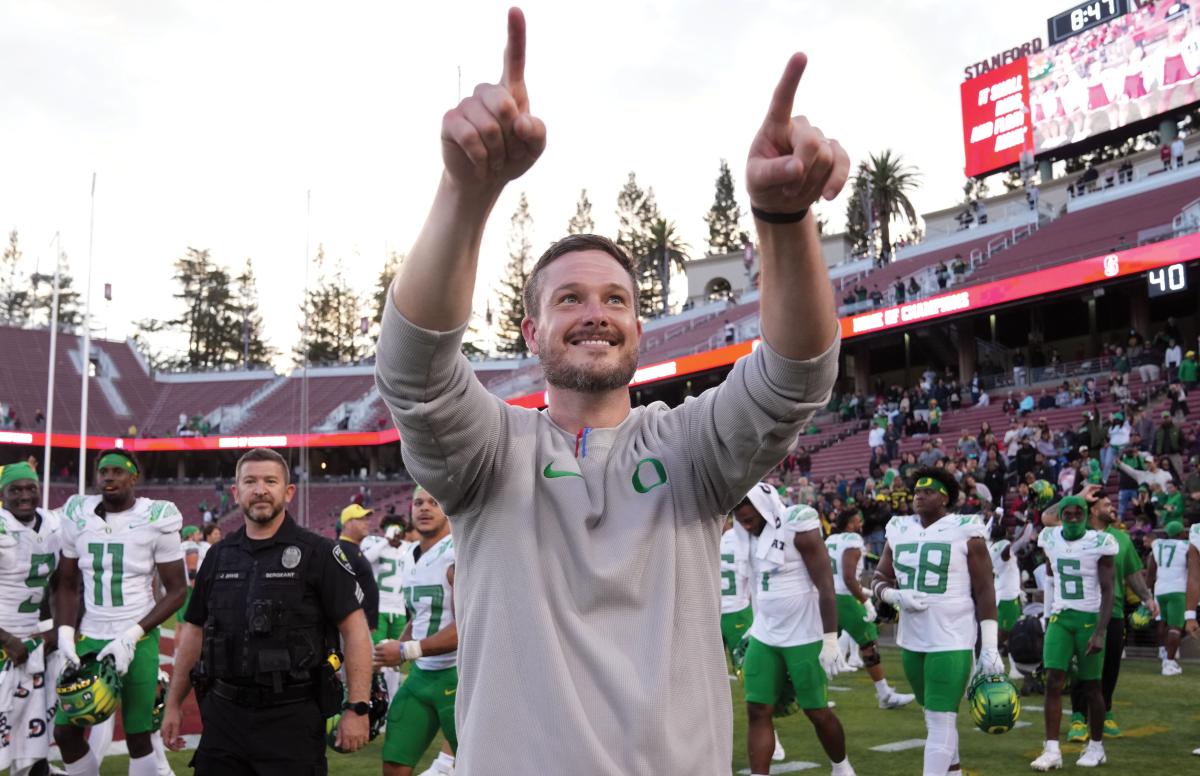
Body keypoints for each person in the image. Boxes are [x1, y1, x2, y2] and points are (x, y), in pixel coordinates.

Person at [373, 9, 847, 774]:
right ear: (530, 333)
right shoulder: (490, 455)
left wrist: (784, 219)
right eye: (568, 299)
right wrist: (468, 193)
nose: (594, 312)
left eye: (615, 299)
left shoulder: (692, 449)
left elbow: (796, 376)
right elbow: (413, 374)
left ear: (639, 329)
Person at [160, 447, 372, 772]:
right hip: (223, 718)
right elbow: (194, 631)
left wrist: (357, 708)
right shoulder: (218, 556)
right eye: (250, 481)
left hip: (293, 718)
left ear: (288, 492)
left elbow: (355, 632)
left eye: (270, 481)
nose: (260, 490)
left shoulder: (319, 553)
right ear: (236, 492)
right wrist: (174, 703)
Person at [52, 450, 189, 776]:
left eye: (117, 471)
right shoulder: (77, 513)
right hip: (91, 635)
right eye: (103, 472)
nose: (108, 477)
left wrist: (133, 634)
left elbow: (178, 590)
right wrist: (65, 635)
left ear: (133, 477)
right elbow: (67, 583)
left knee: (139, 734)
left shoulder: (156, 517)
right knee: (65, 730)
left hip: (137, 637)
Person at [871, 467, 1001, 776]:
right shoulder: (899, 528)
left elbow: (985, 590)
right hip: (912, 639)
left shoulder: (966, 528)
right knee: (933, 718)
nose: (918, 495)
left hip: (952, 638)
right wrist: (892, 596)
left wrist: (990, 647)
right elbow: (879, 577)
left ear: (945, 497)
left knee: (942, 720)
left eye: (927, 491)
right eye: (916, 491)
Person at [731, 484, 854, 776]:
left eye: (750, 520)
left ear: (765, 510)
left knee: (817, 711)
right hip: (765, 633)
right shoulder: (745, 535)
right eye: (742, 521)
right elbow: (757, 585)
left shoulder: (798, 523)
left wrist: (830, 639)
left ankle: (842, 767)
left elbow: (826, 585)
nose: (746, 526)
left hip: (804, 633)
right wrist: (753, 625)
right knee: (757, 708)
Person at [1041, 484, 1157, 740]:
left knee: (1109, 667)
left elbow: (1131, 573)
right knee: (1076, 671)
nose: (1112, 508)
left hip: (1113, 610)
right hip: (1079, 611)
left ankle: (1106, 715)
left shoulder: (1121, 538)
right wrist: (1079, 496)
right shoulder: (1074, 531)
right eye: (1105, 504)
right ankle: (1079, 718)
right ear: (1091, 510)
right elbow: (1048, 518)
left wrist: (1147, 597)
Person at [373, 487, 459, 776]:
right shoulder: (410, 554)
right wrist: (396, 648)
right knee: (395, 762)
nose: (424, 508)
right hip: (422, 675)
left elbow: (466, 628)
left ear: (447, 508)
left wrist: (407, 650)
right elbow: (420, 616)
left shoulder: (457, 553)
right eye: (418, 503)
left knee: (478, 763)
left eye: (434, 502)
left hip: (458, 676)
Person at [1031, 496, 1117, 770]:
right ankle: (1052, 749)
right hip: (1060, 617)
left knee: (1091, 685)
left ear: (1086, 515)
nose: (1070, 518)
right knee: (1053, 681)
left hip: (1089, 618)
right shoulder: (1051, 537)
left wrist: (1101, 631)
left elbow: (1108, 590)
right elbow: (1049, 574)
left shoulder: (1098, 541)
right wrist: (1047, 616)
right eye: (1066, 514)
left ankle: (1096, 746)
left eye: (1076, 514)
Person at [0, 461, 61, 776]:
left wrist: (53, 631)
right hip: (5, 642)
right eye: (15, 490)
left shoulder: (53, 524)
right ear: (2, 494)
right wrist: (6, 639)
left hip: (35, 647)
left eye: (30, 488)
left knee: (33, 742)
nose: (24, 495)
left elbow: (60, 585)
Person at [825, 507, 914, 709]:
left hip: (828, 597)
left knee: (822, 645)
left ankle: (812, 694)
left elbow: (839, 576)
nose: (860, 524)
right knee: (869, 643)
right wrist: (865, 603)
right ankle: (885, 695)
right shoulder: (852, 541)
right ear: (849, 525)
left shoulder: (831, 540)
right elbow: (848, 578)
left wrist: (865, 592)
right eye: (857, 520)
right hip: (844, 599)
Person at [987, 518, 1034, 680]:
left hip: (1002, 593)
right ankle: (995, 661)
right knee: (1011, 633)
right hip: (1008, 596)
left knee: (1007, 633)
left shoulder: (991, 546)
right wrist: (1027, 526)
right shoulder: (1004, 548)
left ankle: (1011, 666)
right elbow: (1014, 545)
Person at [1147, 520, 1189, 676]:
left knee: (1162, 622)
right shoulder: (1185, 546)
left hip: (1160, 589)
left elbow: (1151, 571)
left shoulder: (1157, 545)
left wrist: (1147, 593)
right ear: (1180, 533)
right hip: (1177, 589)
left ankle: (1164, 654)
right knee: (1175, 627)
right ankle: (1169, 663)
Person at [337, 504, 380, 635]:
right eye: (361, 519)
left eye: (367, 519)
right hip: (354, 625)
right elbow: (345, 590)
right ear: (348, 524)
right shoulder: (343, 550)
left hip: (362, 624)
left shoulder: (354, 549)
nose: (366, 523)